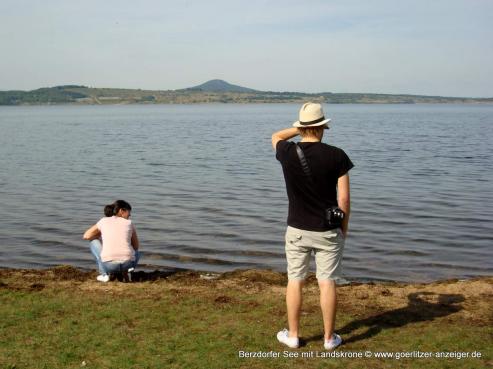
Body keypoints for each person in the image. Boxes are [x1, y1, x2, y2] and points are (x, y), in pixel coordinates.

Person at [271, 102, 353, 350]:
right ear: (323, 127)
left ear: (303, 126)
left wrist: (300, 130)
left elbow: (275, 136)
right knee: (326, 282)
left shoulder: (287, 152)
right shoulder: (337, 155)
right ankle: (329, 339)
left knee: (295, 280)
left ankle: (293, 335)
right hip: (328, 230)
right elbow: (344, 199)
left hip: (296, 229)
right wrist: (344, 228)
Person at [83, 200, 141, 282]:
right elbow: (136, 247)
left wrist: (100, 235)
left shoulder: (103, 221)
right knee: (137, 252)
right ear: (121, 211)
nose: (130, 215)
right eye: (129, 212)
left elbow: (86, 236)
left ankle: (104, 274)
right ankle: (128, 272)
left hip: (109, 266)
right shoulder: (129, 223)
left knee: (93, 241)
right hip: (127, 264)